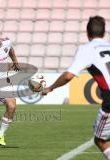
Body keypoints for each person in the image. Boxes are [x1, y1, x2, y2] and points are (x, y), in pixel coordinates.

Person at [42, 15, 110, 159]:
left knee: (100, 140)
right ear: (104, 32)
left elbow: (69, 75)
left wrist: (50, 88)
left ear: (87, 32)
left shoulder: (87, 49)